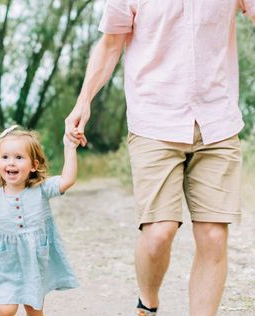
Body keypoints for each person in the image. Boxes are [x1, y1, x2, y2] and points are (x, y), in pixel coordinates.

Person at [65, 1, 255, 315]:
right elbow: (111, 42)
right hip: (154, 121)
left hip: (217, 120)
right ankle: (148, 302)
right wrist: (84, 100)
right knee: (158, 233)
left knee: (213, 236)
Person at [0, 125, 79, 316]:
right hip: (6, 264)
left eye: (19, 157)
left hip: (34, 262)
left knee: (34, 309)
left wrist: (70, 148)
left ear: (34, 165)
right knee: (6, 309)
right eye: (5, 157)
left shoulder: (41, 190)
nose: (11, 163)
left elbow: (67, 179)